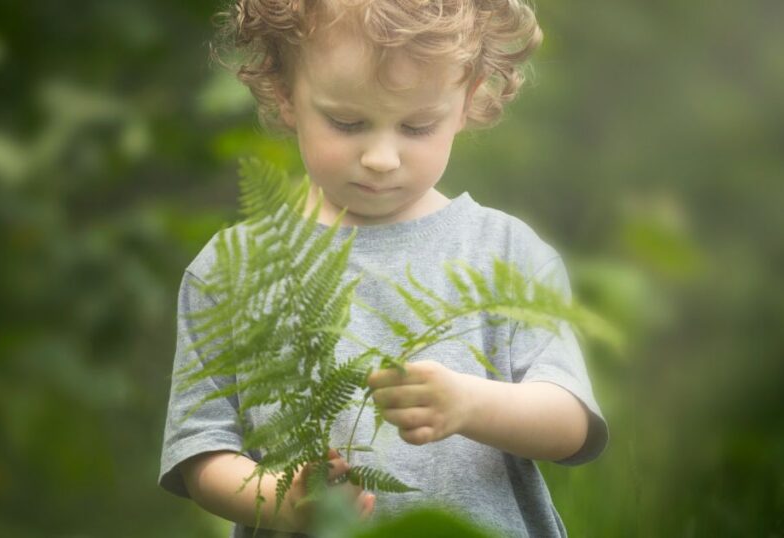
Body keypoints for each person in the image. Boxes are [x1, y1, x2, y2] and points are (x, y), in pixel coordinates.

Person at [159, 1, 608, 536]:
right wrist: (277, 501)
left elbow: (571, 424)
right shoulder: (230, 269)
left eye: (417, 126)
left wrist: (470, 404)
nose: (381, 157)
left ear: (466, 101)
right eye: (347, 122)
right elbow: (200, 453)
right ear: (285, 93)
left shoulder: (506, 251)